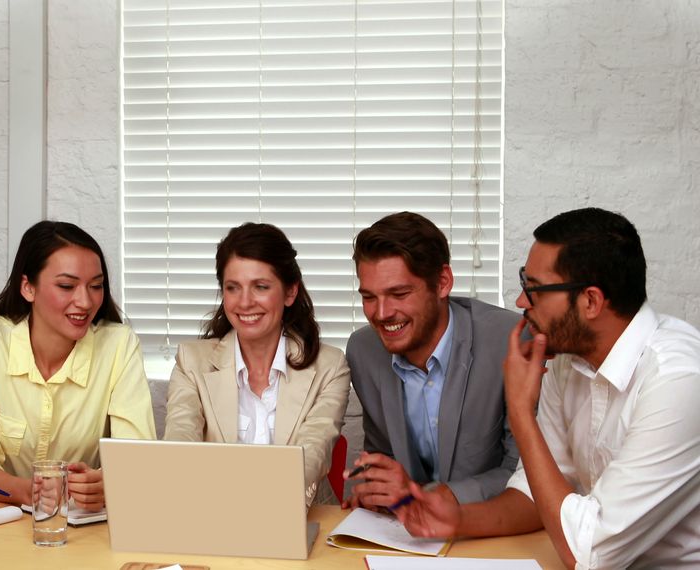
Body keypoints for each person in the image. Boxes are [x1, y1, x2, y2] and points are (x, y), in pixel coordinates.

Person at [396, 208, 700, 569]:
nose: (521, 302)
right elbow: (537, 494)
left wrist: (520, 410)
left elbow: (590, 555)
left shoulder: (678, 380)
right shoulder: (569, 361)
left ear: (590, 301)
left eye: (534, 289)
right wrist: (458, 519)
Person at [0, 220, 156, 511]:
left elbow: (136, 458)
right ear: (28, 288)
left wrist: (106, 483)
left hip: (84, 524)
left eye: (96, 286)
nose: (85, 301)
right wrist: (28, 492)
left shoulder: (118, 345)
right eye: (67, 286)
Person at [163, 222, 351, 505]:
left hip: (300, 516)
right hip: (212, 513)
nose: (245, 302)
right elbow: (180, 444)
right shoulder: (191, 362)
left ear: (290, 293)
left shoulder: (330, 366)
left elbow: (312, 453)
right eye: (232, 288)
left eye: (261, 287)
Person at [345, 212, 519, 511]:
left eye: (398, 293)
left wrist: (427, 496)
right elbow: (383, 456)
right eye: (369, 297)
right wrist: (375, 490)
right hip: (405, 534)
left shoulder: (509, 340)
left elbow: (524, 472)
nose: (381, 313)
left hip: (492, 531)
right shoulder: (364, 350)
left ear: (442, 283)